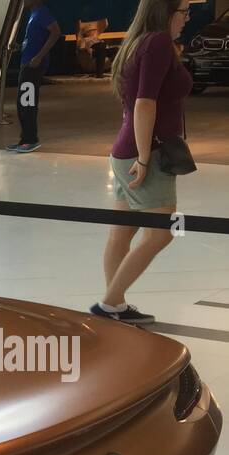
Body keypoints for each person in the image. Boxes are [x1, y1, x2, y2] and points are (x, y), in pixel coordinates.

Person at [92, 0, 193, 324]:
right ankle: (109, 305)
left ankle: (115, 305)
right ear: (166, 12)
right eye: (184, 11)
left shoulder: (140, 41)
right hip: (146, 153)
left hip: (125, 152)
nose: (187, 18)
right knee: (162, 232)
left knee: (122, 232)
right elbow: (144, 103)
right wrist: (146, 157)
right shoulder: (159, 42)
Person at [7, 0, 60, 153]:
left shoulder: (42, 12)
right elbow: (33, 40)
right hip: (27, 64)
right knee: (23, 103)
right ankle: (25, 139)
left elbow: (55, 32)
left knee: (27, 103)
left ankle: (30, 139)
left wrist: (39, 57)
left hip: (32, 67)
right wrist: (20, 47)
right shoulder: (33, 15)